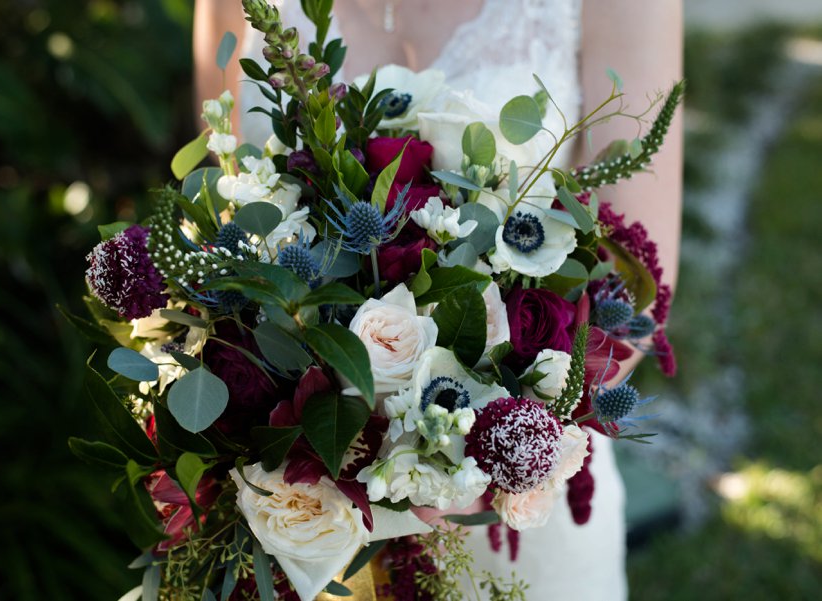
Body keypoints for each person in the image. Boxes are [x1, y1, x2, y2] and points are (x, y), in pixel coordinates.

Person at [193, 1, 682, 599]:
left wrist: (441, 466)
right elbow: (225, 209)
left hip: (507, 489)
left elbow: (631, 296)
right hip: (299, 517)